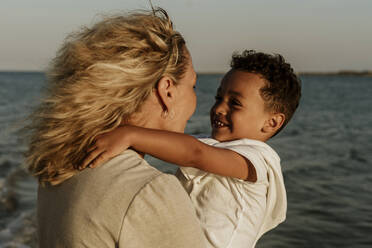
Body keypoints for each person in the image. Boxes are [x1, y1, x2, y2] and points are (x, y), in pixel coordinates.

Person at [25, 8, 207, 248]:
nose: (195, 98)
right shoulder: (148, 192)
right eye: (192, 86)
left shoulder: (59, 165)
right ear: (167, 91)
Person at [82, 50, 302, 247]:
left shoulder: (255, 159)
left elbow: (195, 154)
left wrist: (130, 134)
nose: (219, 108)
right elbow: (176, 144)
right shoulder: (211, 144)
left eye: (234, 103)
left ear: (271, 123)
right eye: (218, 98)